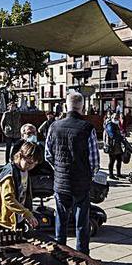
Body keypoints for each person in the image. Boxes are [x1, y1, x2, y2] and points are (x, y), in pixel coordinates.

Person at [45, 92, 99, 255]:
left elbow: (48, 154)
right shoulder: (87, 128)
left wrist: (60, 169)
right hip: (81, 183)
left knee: (60, 217)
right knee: (81, 220)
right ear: (82, 106)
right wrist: (90, 175)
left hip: (61, 182)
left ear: (66, 105)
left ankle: (59, 251)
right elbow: (94, 160)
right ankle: (82, 254)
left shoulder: (54, 126)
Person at [0, 142, 42, 232]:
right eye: (29, 162)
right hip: (6, 220)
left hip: (19, 217)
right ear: (20, 155)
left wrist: (28, 212)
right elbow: (8, 199)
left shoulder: (25, 170)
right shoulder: (9, 174)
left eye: (34, 164)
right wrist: (26, 213)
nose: (31, 166)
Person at [104, 111, 125, 179]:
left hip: (117, 146)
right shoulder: (110, 125)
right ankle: (111, 175)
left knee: (119, 160)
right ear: (112, 117)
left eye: (117, 117)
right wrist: (120, 137)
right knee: (112, 161)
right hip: (112, 146)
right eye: (115, 117)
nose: (116, 119)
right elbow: (112, 135)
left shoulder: (116, 124)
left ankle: (118, 173)